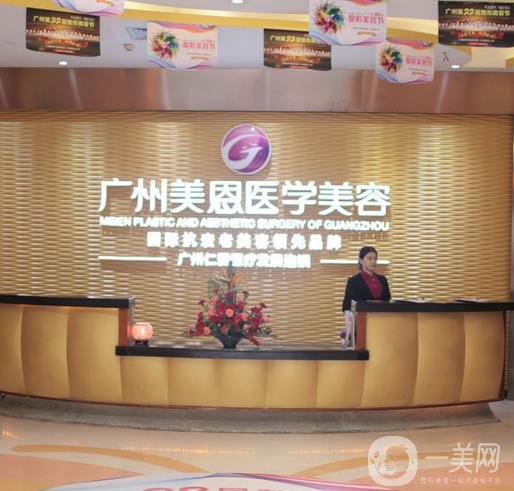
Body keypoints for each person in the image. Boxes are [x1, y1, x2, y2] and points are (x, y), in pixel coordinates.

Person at [342, 246, 391, 312]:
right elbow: (347, 306)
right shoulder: (354, 281)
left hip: (382, 316)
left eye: (375, 259)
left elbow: (388, 301)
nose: (373, 262)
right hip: (362, 316)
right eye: (370, 259)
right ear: (361, 260)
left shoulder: (383, 280)